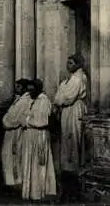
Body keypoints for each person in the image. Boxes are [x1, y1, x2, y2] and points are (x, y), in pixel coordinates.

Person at [53, 54, 87, 202]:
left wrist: (58, 100)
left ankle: (72, 173)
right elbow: (59, 95)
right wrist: (58, 99)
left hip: (74, 109)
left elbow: (66, 97)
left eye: (71, 63)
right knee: (67, 139)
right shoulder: (70, 79)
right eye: (67, 62)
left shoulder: (78, 79)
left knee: (72, 138)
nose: (68, 65)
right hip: (67, 110)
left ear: (78, 65)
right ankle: (68, 170)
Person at [21, 79, 56, 201]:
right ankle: (30, 192)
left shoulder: (43, 101)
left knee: (38, 163)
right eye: (29, 90)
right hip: (30, 135)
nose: (30, 92)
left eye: (32, 90)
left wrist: (26, 121)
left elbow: (42, 121)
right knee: (30, 162)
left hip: (39, 134)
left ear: (38, 89)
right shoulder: (32, 100)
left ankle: (39, 192)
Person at [1, 79, 32, 191]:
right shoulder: (19, 99)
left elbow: (14, 118)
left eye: (18, 87)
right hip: (11, 131)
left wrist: (5, 122)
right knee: (8, 155)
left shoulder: (24, 101)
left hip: (16, 131)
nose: (16, 88)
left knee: (13, 156)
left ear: (24, 88)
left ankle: (15, 183)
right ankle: (11, 182)